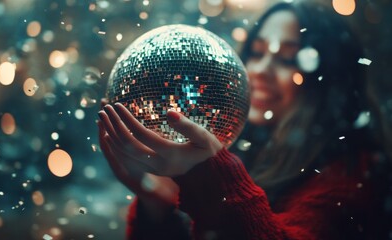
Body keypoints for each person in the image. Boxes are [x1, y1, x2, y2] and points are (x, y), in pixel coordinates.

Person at [97, 1, 391, 239]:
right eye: (256, 52)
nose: (260, 70)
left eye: (288, 59)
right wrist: (159, 206)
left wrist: (215, 179)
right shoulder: (244, 149)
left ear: (331, 79)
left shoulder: (355, 176)